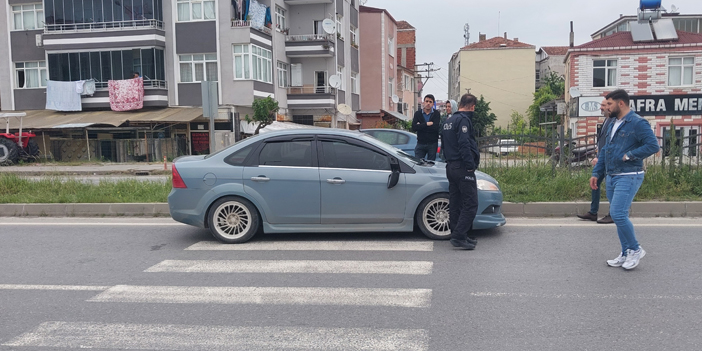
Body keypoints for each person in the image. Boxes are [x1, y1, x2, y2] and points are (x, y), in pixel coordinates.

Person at [590, 89, 659, 270]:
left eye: (610, 104)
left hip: (629, 175)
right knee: (618, 216)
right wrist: (596, 173)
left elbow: (653, 145)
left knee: (618, 214)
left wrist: (630, 155)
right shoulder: (613, 122)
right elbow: (606, 150)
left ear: (621, 103)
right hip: (612, 175)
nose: (607, 107)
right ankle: (625, 252)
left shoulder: (637, 122)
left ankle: (635, 249)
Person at [441, 93, 481, 250]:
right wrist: (470, 165)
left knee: (456, 203)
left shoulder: (448, 121)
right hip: (462, 167)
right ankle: (459, 236)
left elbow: (444, 144)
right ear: (472, 107)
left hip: (450, 167)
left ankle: (459, 234)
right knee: (471, 203)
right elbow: (464, 144)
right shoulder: (463, 120)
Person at [578, 99, 615, 224]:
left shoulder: (614, 121)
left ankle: (612, 214)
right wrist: (598, 155)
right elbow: (603, 141)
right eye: (601, 105)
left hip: (609, 159)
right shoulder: (606, 120)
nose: (601, 107)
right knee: (595, 183)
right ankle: (593, 212)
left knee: (611, 186)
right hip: (602, 158)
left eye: (604, 105)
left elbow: (611, 142)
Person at [412, 94, 441, 160]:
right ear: (423, 102)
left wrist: (420, 126)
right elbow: (414, 127)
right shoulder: (418, 114)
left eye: (430, 102)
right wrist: (426, 124)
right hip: (420, 143)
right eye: (426, 101)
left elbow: (435, 128)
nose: (428, 103)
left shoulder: (436, 114)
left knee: (431, 165)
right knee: (417, 163)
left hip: (432, 143)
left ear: (433, 104)